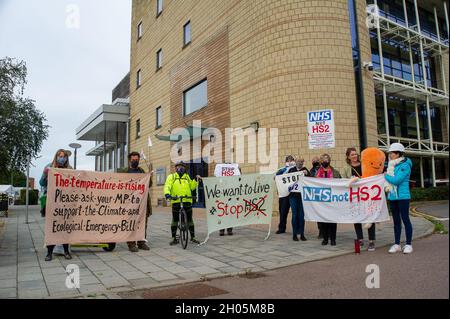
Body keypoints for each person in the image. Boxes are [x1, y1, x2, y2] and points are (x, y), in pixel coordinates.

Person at [39, 149, 72, 261]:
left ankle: (66, 251)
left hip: (64, 201)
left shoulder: (69, 169)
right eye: (60, 156)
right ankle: (49, 252)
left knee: (64, 227)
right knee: (51, 227)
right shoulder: (49, 167)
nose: (62, 158)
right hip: (51, 200)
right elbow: (42, 183)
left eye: (64, 156)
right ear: (56, 156)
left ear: (67, 158)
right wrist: (44, 174)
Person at [343, 147, 376, 252]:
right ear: (348, 157)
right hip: (355, 196)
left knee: (369, 216)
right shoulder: (346, 168)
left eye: (355, 154)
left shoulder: (364, 164)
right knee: (357, 218)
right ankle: (360, 239)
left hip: (367, 195)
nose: (355, 156)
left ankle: (371, 241)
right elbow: (343, 181)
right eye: (352, 154)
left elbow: (372, 175)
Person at [119, 152, 152, 252]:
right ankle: (131, 243)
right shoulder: (124, 172)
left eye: (137, 160)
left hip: (142, 202)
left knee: (143, 222)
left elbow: (148, 185)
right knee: (131, 222)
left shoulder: (142, 171)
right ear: (129, 160)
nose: (135, 161)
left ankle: (141, 242)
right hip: (130, 202)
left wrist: (150, 176)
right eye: (133, 160)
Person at [385, 143, 414, 254]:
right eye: (390, 153)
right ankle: (397, 244)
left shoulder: (405, 165)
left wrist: (385, 175)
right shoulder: (391, 165)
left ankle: (408, 244)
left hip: (403, 197)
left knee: (405, 220)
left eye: (392, 153)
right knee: (396, 221)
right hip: (392, 196)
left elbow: (397, 180)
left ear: (398, 154)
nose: (390, 155)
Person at [164, 161, 202, 245]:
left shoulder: (187, 177)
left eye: (182, 167)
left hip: (187, 200)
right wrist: (167, 194)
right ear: (175, 168)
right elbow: (167, 186)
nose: (180, 168)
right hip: (176, 201)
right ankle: (174, 238)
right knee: (175, 220)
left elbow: (192, 187)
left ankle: (193, 237)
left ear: (185, 168)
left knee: (189, 220)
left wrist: (195, 180)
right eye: (178, 167)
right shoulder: (172, 177)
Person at [316, 153, 341, 246]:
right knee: (323, 220)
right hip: (322, 200)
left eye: (327, 159)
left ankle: (333, 238)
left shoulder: (335, 172)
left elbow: (340, 183)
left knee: (332, 220)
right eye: (323, 160)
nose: (325, 161)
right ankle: (325, 238)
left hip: (332, 199)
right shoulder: (317, 173)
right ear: (320, 161)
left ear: (329, 160)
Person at [288, 158, 309, 241]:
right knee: (294, 214)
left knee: (301, 215)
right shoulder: (291, 170)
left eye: (301, 162)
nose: (300, 163)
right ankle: (294, 234)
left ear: (303, 163)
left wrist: (307, 174)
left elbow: (311, 180)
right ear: (295, 162)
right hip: (293, 196)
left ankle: (302, 233)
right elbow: (284, 179)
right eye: (298, 161)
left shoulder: (305, 170)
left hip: (302, 196)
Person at [275, 155, 296, 234]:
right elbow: (276, 178)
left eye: (291, 160)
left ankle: (297, 229)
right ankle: (281, 228)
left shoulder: (296, 170)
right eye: (288, 160)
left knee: (295, 212)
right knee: (283, 212)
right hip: (284, 194)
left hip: (294, 193)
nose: (290, 161)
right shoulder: (282, 170)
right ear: (286, 161)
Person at [309, 156, 322, 238]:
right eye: (314, 161)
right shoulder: (311, 171)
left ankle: (327, 231)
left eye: (317, 160)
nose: (315, 162)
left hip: (324, 194)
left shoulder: (324, 169)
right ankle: (321, 231)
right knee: (318, 214)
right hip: (316, 195)